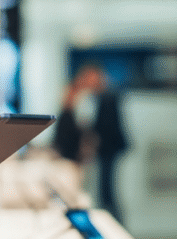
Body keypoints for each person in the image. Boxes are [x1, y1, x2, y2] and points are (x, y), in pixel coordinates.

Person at [53, 63, 128, 221]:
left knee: (106, 191)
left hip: (108, 149)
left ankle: (114, 222)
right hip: (95, 151)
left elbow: (104, 128)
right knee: (101, 190)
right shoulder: (89, 99)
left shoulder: (106, 98)